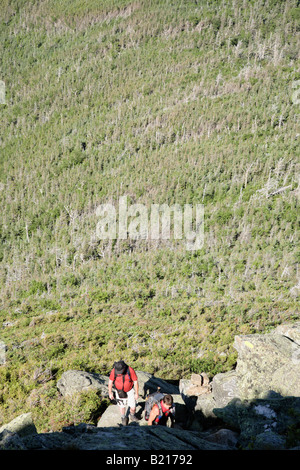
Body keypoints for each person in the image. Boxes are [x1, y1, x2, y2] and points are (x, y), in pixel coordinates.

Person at [108, 360, 139, 425]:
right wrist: (110, 392)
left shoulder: (130, 370)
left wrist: (136, 393)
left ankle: (132, 415)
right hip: (119, 391)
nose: (119, 373)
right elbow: (110, 381)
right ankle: (123, 417)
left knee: (133, 407)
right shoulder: (114, 371)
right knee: (122, 406)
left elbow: (135, 381)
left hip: (130, 390)